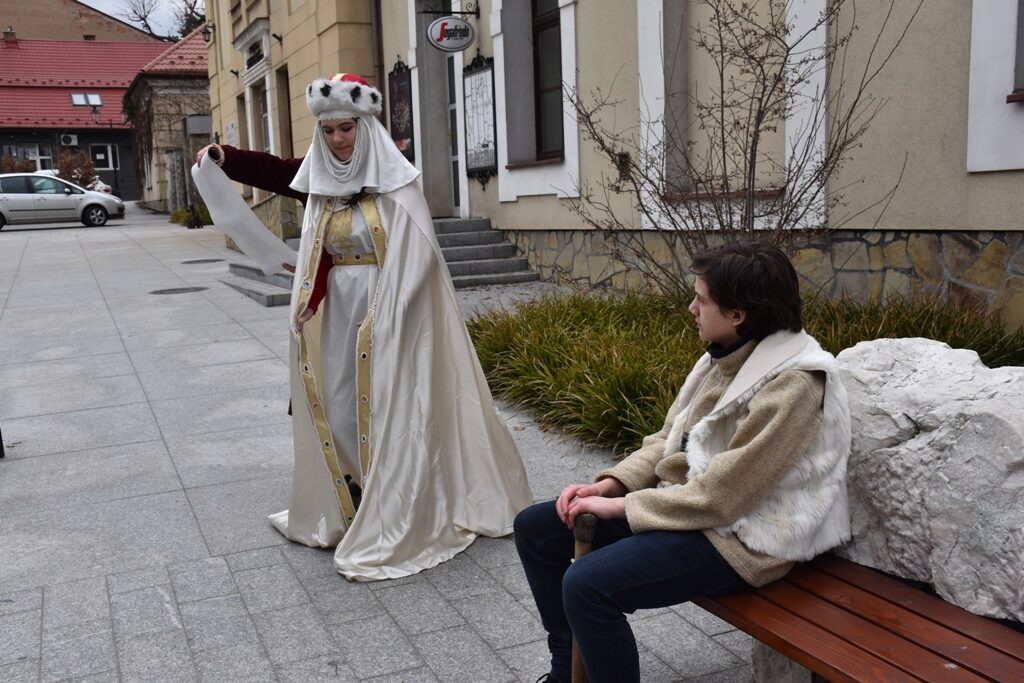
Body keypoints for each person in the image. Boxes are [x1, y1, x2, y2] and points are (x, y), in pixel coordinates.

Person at [196, 73, 532, 581]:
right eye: (328, 130)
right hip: (340, 315)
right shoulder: (322, 183)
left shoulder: (397, 183)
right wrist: (226, 158)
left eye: (346, 129)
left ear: (364, 125)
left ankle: (397, 498)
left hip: (393, 308)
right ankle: (353, 490)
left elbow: (418, 256)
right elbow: (284, 180)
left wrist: (386, 313)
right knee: (338, 401)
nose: (338, 140)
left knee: (392, 404)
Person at [513, 241, 852, 683]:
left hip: (744, 538)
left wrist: (620, 508)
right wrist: (610, 485)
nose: (691, 308)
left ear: (737, 314)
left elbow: (723, 498)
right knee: (535, 528)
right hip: (691, 508)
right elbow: (668, 441)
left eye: (701, 299)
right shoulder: (727, 354)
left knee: (588, 584)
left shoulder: (793, 386)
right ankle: (565, 672)